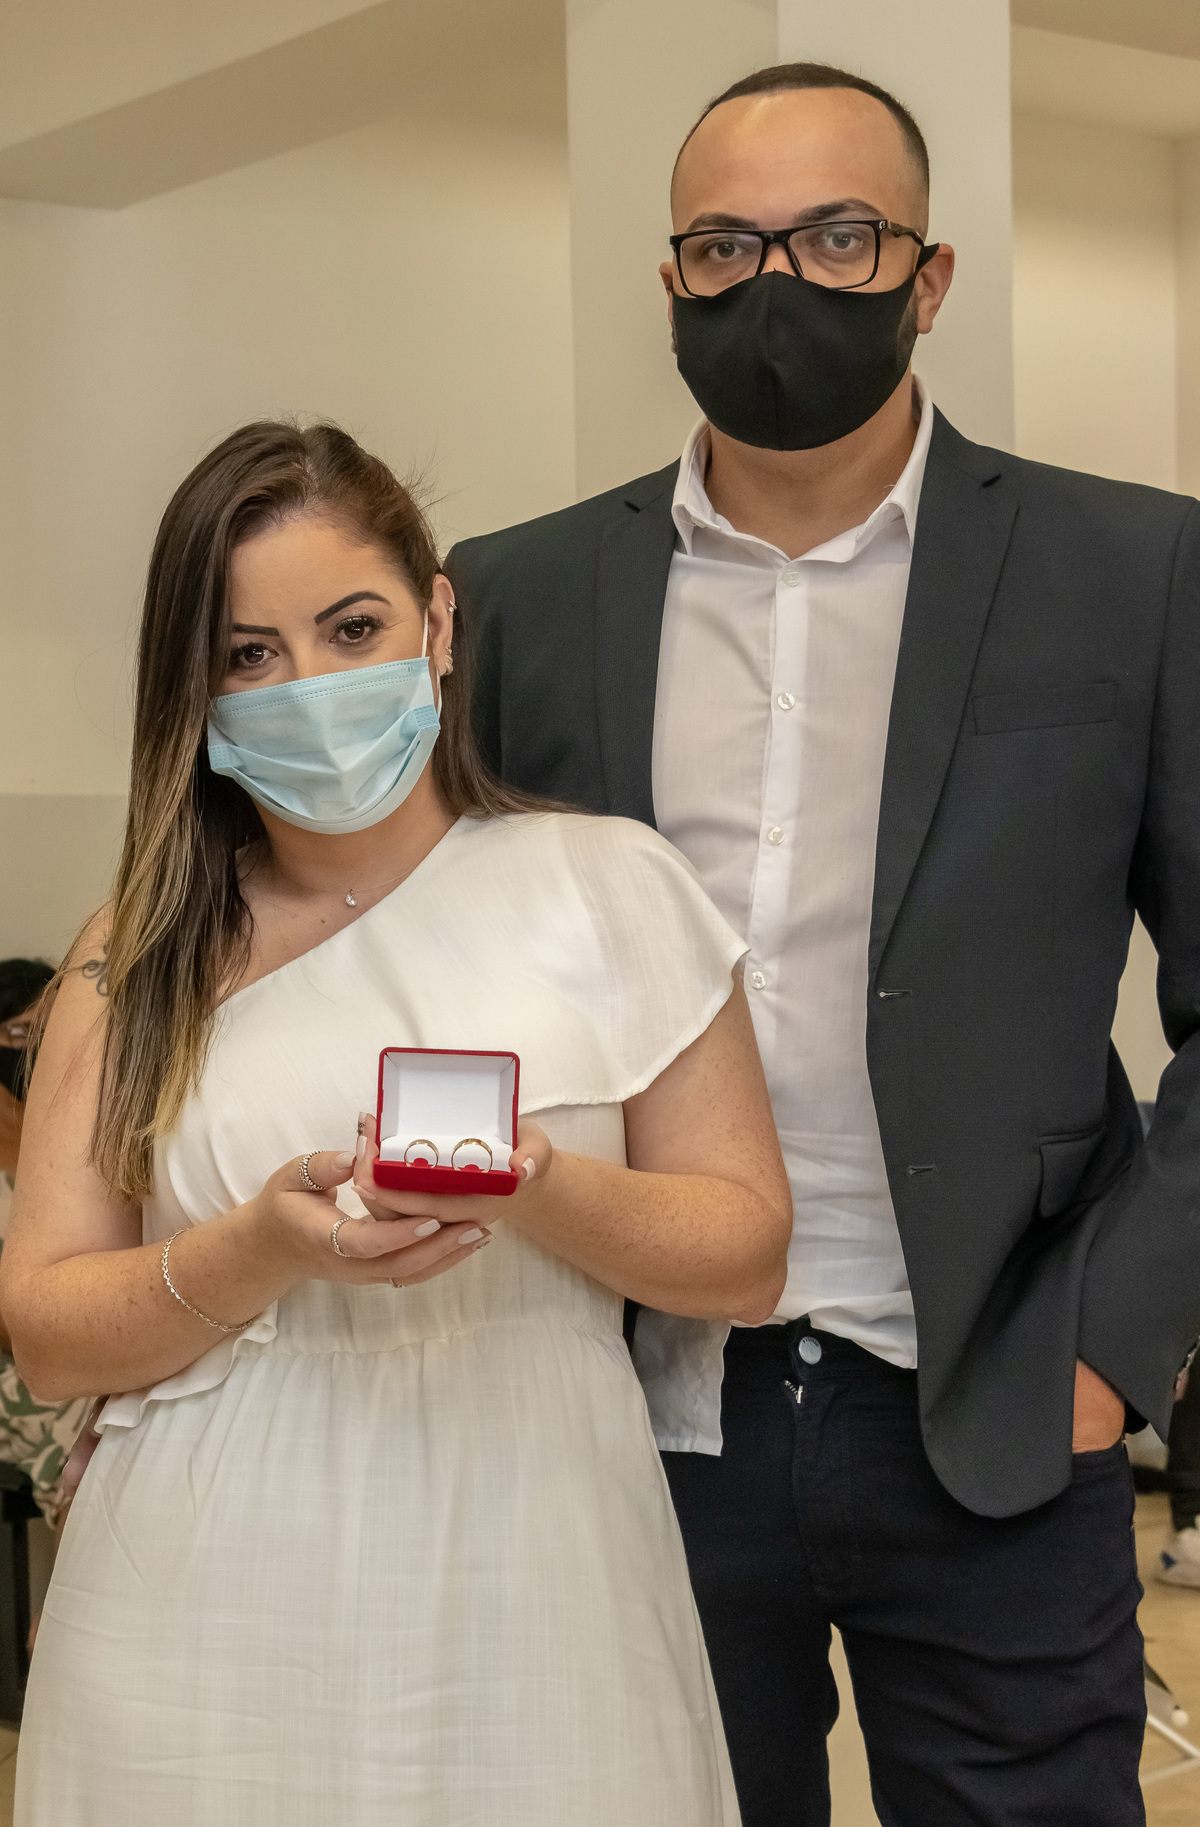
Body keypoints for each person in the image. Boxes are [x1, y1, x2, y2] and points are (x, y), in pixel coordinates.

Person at [447, 60, 1200, 1827]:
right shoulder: (520, 593)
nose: (777, 282)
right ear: (671, 279)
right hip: (631, 1409)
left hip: (1000, 1396)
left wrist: (1116, 1344)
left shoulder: (1136, 568)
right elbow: (427, 952)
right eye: (726, 245)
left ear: (931, 278)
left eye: (839, 237)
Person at [2, 421, 793, 1825]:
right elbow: (51, 1330)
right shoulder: (136, 953)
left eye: (351, 627)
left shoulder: (608, 885)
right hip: (199, 1588)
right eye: (249, 654)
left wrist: (534, 1181)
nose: (310, 685)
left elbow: (744, 1251)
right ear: (194, 689)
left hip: (535, 1558)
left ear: (436, 621)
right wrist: (256, 1247)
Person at [0, 960, 92, 1535]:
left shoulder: (85, 1152)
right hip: (27, 1369)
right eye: (18, 1033)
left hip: (82, 1352)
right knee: (94, 1413)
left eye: (50, 1030)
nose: (36, 1050)